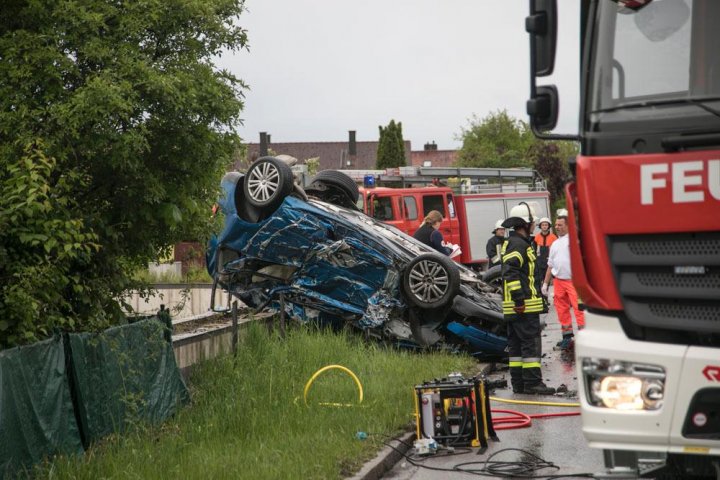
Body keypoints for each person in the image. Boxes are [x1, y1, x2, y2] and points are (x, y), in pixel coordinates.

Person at [501, 203, 555, 395]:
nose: (534, 225)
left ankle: (519, 384)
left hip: (515, 308)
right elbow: (510, 272)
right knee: (529, 345)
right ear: (525, 223)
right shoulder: (518, 244)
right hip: (523, 307)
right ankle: (532, 382)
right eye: (532, 222)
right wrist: (519, 300)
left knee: (516, 348)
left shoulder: (514, 242)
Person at [542, 215, 585, 350]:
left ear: (568, 226)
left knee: (580, 310)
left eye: (560, 225)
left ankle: (584, 338)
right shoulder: (555, 244)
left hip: (574, 281)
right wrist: (545, 283)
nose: (557, 227)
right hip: (559, 281)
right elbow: (550, 265)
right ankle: (567, 338)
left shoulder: (574, 241)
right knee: (562, 310)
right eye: (556, 225)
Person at [533, 217, 557, 288]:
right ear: (540, 226)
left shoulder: (553, 237)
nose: (544, 226)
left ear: (549, 226)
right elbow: (534, 251)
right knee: (540, 283)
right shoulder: (536, 238)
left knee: (551, 284)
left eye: (546, 225)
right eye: (543, 225)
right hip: (539, 264)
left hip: (550, 264)